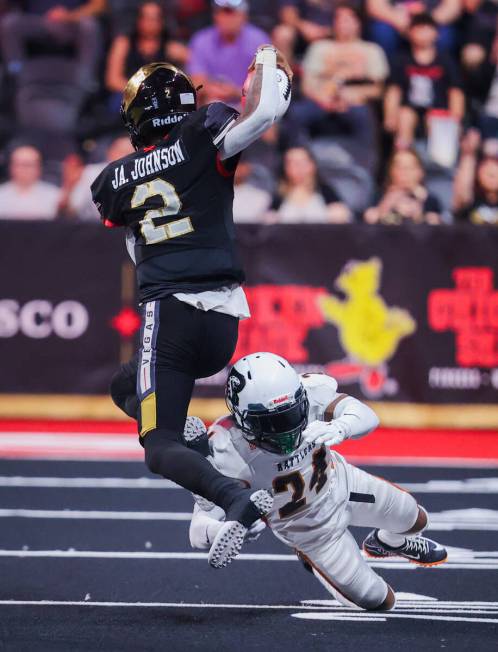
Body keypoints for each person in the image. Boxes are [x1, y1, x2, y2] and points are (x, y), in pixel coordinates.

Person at [91, 47, 294, 568]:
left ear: (138, 116)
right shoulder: (205, 129)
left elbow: (135, 244)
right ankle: (201, 455)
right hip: (224, 323)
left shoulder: (113, 178)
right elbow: (267, 109)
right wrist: (268, 63)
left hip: (172, 314)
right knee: (126, 386)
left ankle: (230, 497)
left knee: (157, 448)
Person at [189, 352, 448, 608]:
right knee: (379, 601)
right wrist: (227, 529)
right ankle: (313, 562)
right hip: (312, 533)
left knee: (416, 519)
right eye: (272, 421)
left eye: (290, 414)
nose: (286, 429)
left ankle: (386, 542)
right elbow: (198, 529)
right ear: (242, 419)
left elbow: (366, 415)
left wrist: (342, 426)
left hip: (345, 486)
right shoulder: (227, 447)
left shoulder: (310, 392)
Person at [384, 13, 464, 149]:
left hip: (438, 111)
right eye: (419, 29)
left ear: (437, 33)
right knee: (405, 116)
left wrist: (456, 118)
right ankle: (403, 157)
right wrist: (390, 115)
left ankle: (440, 164)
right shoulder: (401, 59)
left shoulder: (446, 61)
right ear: (409, 32)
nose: (423, 33)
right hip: (409, 109)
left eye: (428, 29)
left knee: (437, 120)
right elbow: (394, 90)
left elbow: (455, 92)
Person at [106, 1, 189, 113]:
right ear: (138, 20)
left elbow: (195, 70)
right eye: (146, 18)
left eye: (154, 19)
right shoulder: (124, 43)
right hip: (130, 95)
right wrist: (142, 91)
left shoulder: (171, 46)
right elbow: (112, 80)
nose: (150, 23)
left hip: (164, 96)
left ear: (162, 21)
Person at [0, 0, 105, 84]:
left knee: (89, 26)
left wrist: (70, 16)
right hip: (36, 20)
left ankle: (85, 78)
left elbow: (99, 5)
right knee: (9, 23)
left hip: (73, 22)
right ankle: (15, 73)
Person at [188, 0, 269, 106]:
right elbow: (197, 80)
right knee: (212, 104)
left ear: (244, 16)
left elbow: (266, 86)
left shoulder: (259, 40)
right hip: (213, 104)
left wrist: (235, 92)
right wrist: (211, 89)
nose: (227, 19)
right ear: (215, 16)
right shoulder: (201, 40)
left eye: (232, 13)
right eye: (223, 13)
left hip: (249, 104)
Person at [58, 137, 134, 220]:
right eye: (121, 152)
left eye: (130, 153)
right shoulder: (91, 173)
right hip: (93, 227)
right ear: (110, 153)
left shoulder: (139, 174)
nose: (125, 157)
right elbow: (73, 208)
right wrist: (69, 186)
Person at [270, 146, 352, 223]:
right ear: (285, 168)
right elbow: (268, 217)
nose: (298, 168)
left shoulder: (325, 190)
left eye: (302, 162)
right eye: (292, 163)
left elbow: (343, 214)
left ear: (312, 165)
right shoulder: (279, 194)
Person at [363, 148, 442, 224]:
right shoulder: (379, 196)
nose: (405, 173)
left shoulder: (430, 200)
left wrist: (420, 209)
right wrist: (386, 204)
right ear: (391, 171)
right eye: (400, 167)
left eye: (410, 168)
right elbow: (368, 219)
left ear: (420, 172)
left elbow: (437, 225)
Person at [366, 0, 461, 55]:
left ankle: (441, 81)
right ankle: (391, 80)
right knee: (382, 32)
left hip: (432, 20)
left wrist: (426, 24)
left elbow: (453, 7)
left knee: (445, 36)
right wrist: (402, 23)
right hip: (397, 21)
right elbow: (375, 6)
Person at [0, 145, 60, 220]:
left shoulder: (56, 196)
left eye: (29, 165)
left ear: (39, 167)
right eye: (20, 164)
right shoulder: (1, 195)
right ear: (11, 167)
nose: (24, 169)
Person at [453, 129, 498, 224]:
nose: (492, 175)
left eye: (495, 171)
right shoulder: (470, 202)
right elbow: (462, 195)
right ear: (477, 175)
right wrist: (469, 154)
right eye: (488, 172)